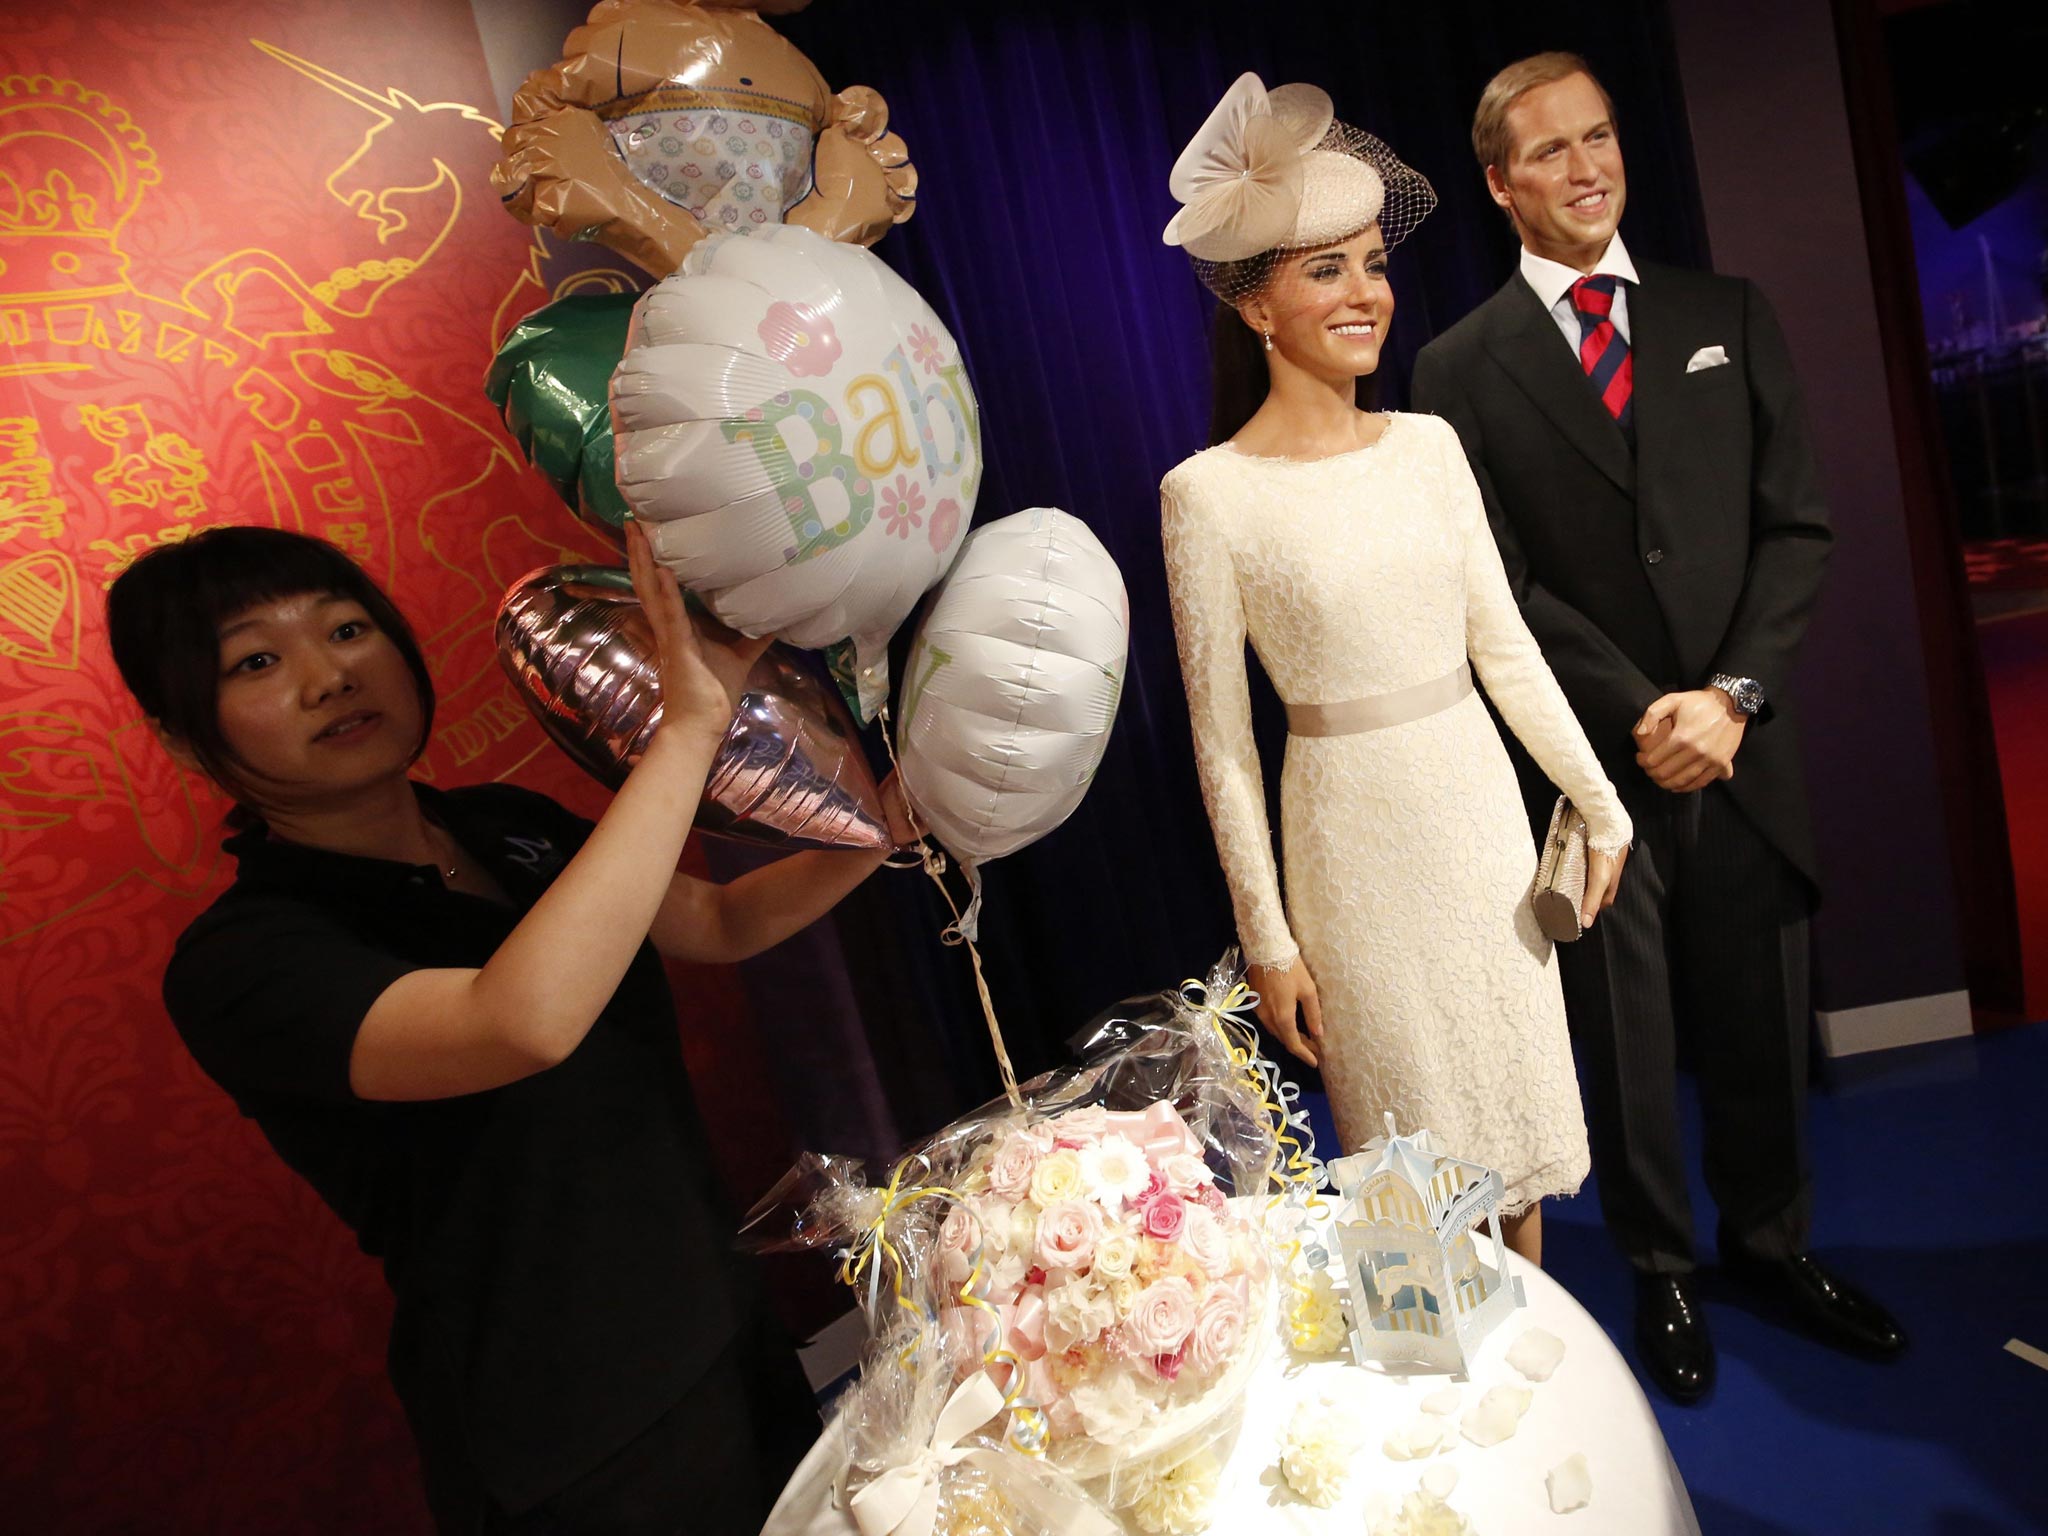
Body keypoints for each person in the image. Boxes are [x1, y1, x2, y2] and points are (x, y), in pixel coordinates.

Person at [104, 520, 912, 1533]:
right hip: (570, 1425)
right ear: (185, 734)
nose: (328, 677)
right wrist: (688, 729)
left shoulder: (499, 823)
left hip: (715, 1320)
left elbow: (717, 917)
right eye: (257, 660)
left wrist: (892, 824)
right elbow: (521, 1022)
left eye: (347, 630)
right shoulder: (245, 960)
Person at [1410, 51, 1906, 1403]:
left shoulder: (1724, 313)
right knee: (1625, 1045)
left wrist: (1730, 699)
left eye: (1602, 138)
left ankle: (1772, 1246)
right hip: (1594, 772)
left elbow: (1795, 529)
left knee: (1757, 1019)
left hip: (1741, 748)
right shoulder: (1455, 369)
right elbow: (1499, 588)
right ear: (1502, 184)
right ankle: (1664, 1273)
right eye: (1553, 152)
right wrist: (1648, 715)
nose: (1589, 168)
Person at [1156, 74, 1632, 1266]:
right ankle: (1442, 1415)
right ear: (1256, 308)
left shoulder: (1430, 445)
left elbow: (1503, 647)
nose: (1364, 293)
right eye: (1325, 270)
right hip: (1347, 845)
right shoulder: (1205, 496)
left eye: (1371, 263)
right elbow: (1219, 744)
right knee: (1410, 1171)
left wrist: (1598, 800)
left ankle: (1530, 1394)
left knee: (1514, 1130)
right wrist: (1265, 940)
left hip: (1476, 817)